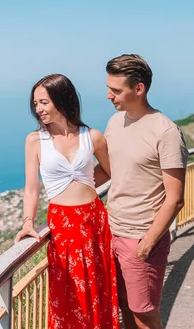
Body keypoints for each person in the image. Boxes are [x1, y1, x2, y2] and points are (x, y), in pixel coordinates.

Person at [14, 73, 119, 329]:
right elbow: (31, 188)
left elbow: (109, 170)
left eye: (44, 102)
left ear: (62, 99)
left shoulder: (92, 136)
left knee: (98, 291)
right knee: (68, 296)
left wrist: (84, 183)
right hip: (62, 225)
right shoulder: (35, 141)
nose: (38, 109)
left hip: (94, 220)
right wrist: (28, 222)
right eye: (36, 103)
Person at [97, 54, 188, 329]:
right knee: (124, 305)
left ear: (139, 88)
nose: (108, 95)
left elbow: (175, 198)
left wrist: (147, 243)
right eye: (108, 88)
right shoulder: (115, 123)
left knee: (143, 312)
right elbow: (110, 170)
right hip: (111, 231)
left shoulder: (166, 132)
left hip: (141, 236)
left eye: (116, 90)